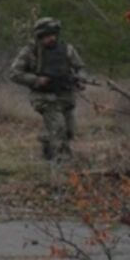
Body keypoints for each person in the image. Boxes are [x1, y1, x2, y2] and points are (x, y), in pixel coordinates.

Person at [10, 17, 88, 161]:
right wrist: (36, 80)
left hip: (65, 96)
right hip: (44, 97)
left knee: (69, 131)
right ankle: (62, 164)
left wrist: (80, 79)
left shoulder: (67, 49)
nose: (51, 39)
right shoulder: (30, 51)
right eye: (47, 36)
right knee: (59, 130)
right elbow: (14, 73)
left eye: (53, 35)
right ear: (40, 36)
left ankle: (47, 141)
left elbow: (80, 67)